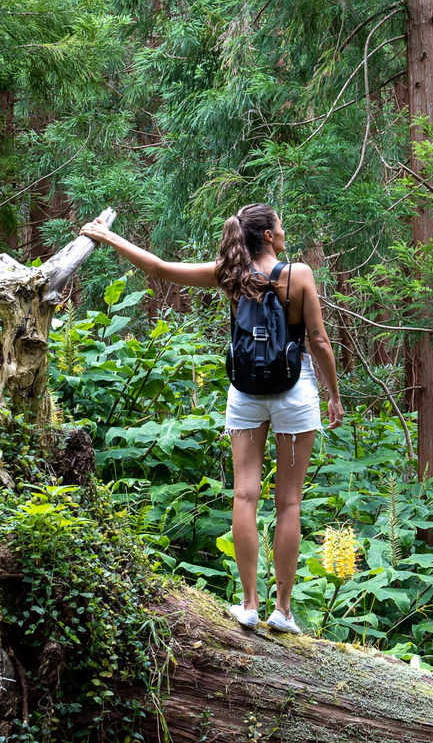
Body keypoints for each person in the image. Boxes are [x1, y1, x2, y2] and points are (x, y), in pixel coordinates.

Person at [80, 204, 343, 634]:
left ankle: (249, 604)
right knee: (289, 502)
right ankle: (283, 610)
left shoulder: (230, 274)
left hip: (245, 394)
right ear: (269, 237)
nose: (284, 232)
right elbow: (317, 339)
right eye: (280, 226)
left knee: (245, 495)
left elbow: (161, 268)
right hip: (295, 392)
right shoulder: (299, 276)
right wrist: (333, 395)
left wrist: (109, 238)